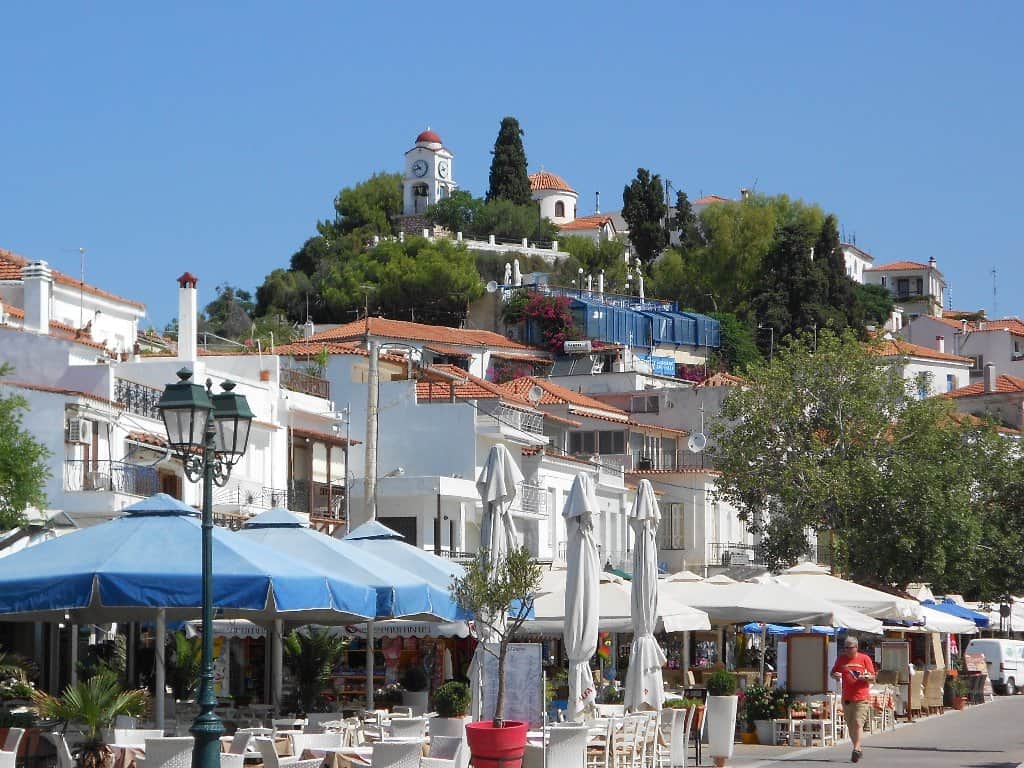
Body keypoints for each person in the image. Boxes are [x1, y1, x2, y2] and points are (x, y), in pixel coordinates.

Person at [831, 636, 875, 763]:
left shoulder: (864, 658)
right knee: (851, 726)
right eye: (845, 648)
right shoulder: (841, 659)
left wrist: (866, 677)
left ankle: (856, 749)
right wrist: (835, 675)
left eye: (849, 648)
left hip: (861, 697)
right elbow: (833, 672)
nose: (847, 650)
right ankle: (858, 748)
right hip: (847, 697)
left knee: (857, 722)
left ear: (856, 648)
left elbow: (873, 677)